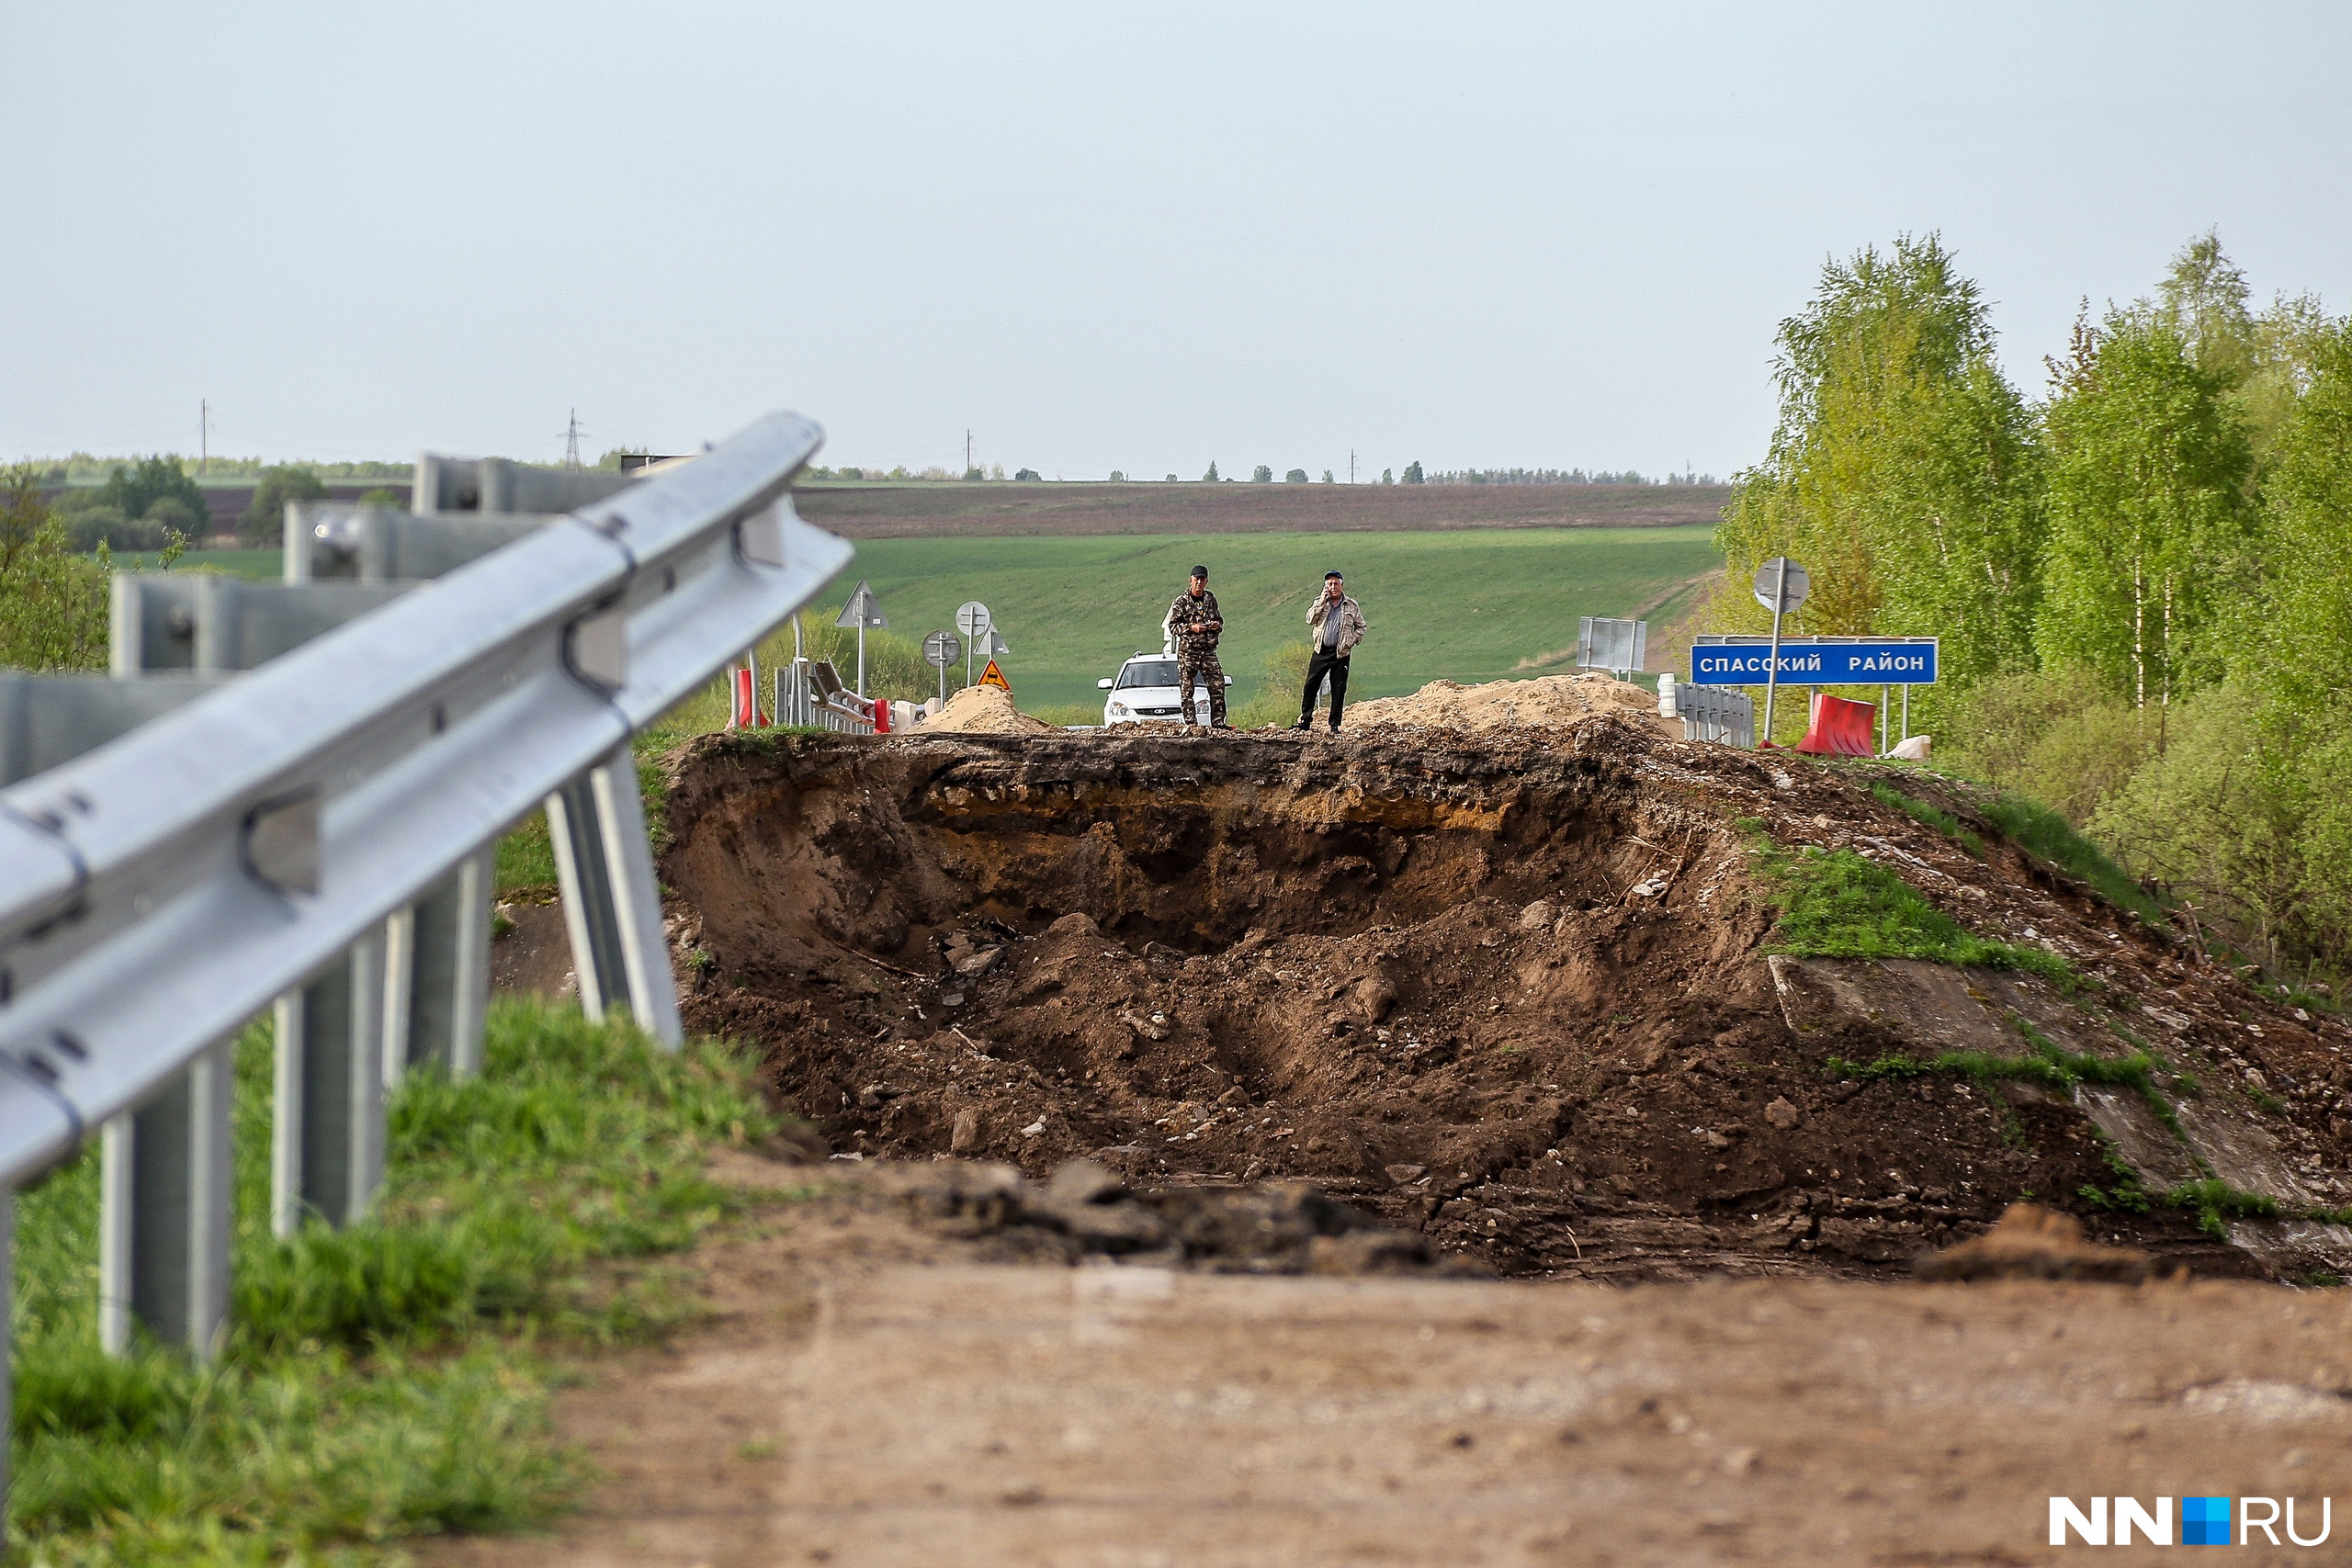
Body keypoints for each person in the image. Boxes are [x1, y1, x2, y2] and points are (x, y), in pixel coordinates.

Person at [1295, 570, 1365, 732]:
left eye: (1336, 583)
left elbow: (1361, 626)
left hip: (1341, 653)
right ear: (1325, 586)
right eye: (1330, 584)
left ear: (1342, 585)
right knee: (1311, 685)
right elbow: (1310, 619)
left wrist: (1352, 641)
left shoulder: (1351, 605)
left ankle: (1334, 725)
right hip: (1321, 650)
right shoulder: (1320, 602)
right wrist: (1321, 601)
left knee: (1338, 688)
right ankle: (1305, 720)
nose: (1333, 586)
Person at [1167, 564, 1227, 728]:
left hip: (1208, 650)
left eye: (1202, 579)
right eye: (1196, 579)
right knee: (1187, 689)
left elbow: (1220, 621)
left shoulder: (1210, 599)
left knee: (1217, 685)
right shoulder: (1181, 602)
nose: (1199, 582)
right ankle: (1191, 724)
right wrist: (1191, 628)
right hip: (1189, 652)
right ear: (1190, 581)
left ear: (1206, 582)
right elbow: (1173, 626)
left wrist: (1215, 626)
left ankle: (1218, 723)